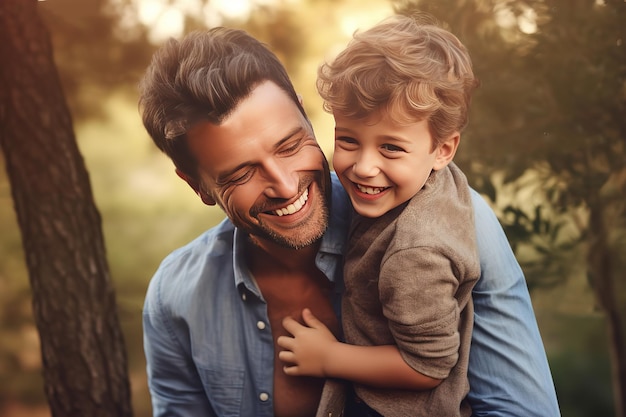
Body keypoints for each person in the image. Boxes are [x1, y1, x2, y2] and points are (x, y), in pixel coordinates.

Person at [138, 25, 561, 417]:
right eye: (242, 173)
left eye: (289, 145)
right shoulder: (174, 300)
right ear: (198, 186)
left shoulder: (454, 226)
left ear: (306, 116)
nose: (285, 187)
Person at [276, 15, 479, 417]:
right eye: (348, 140)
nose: (364, 167)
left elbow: (429, 365)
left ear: (443, 150)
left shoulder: (415, 255)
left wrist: (329, 358)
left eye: (391, 149)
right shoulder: (433, 179)